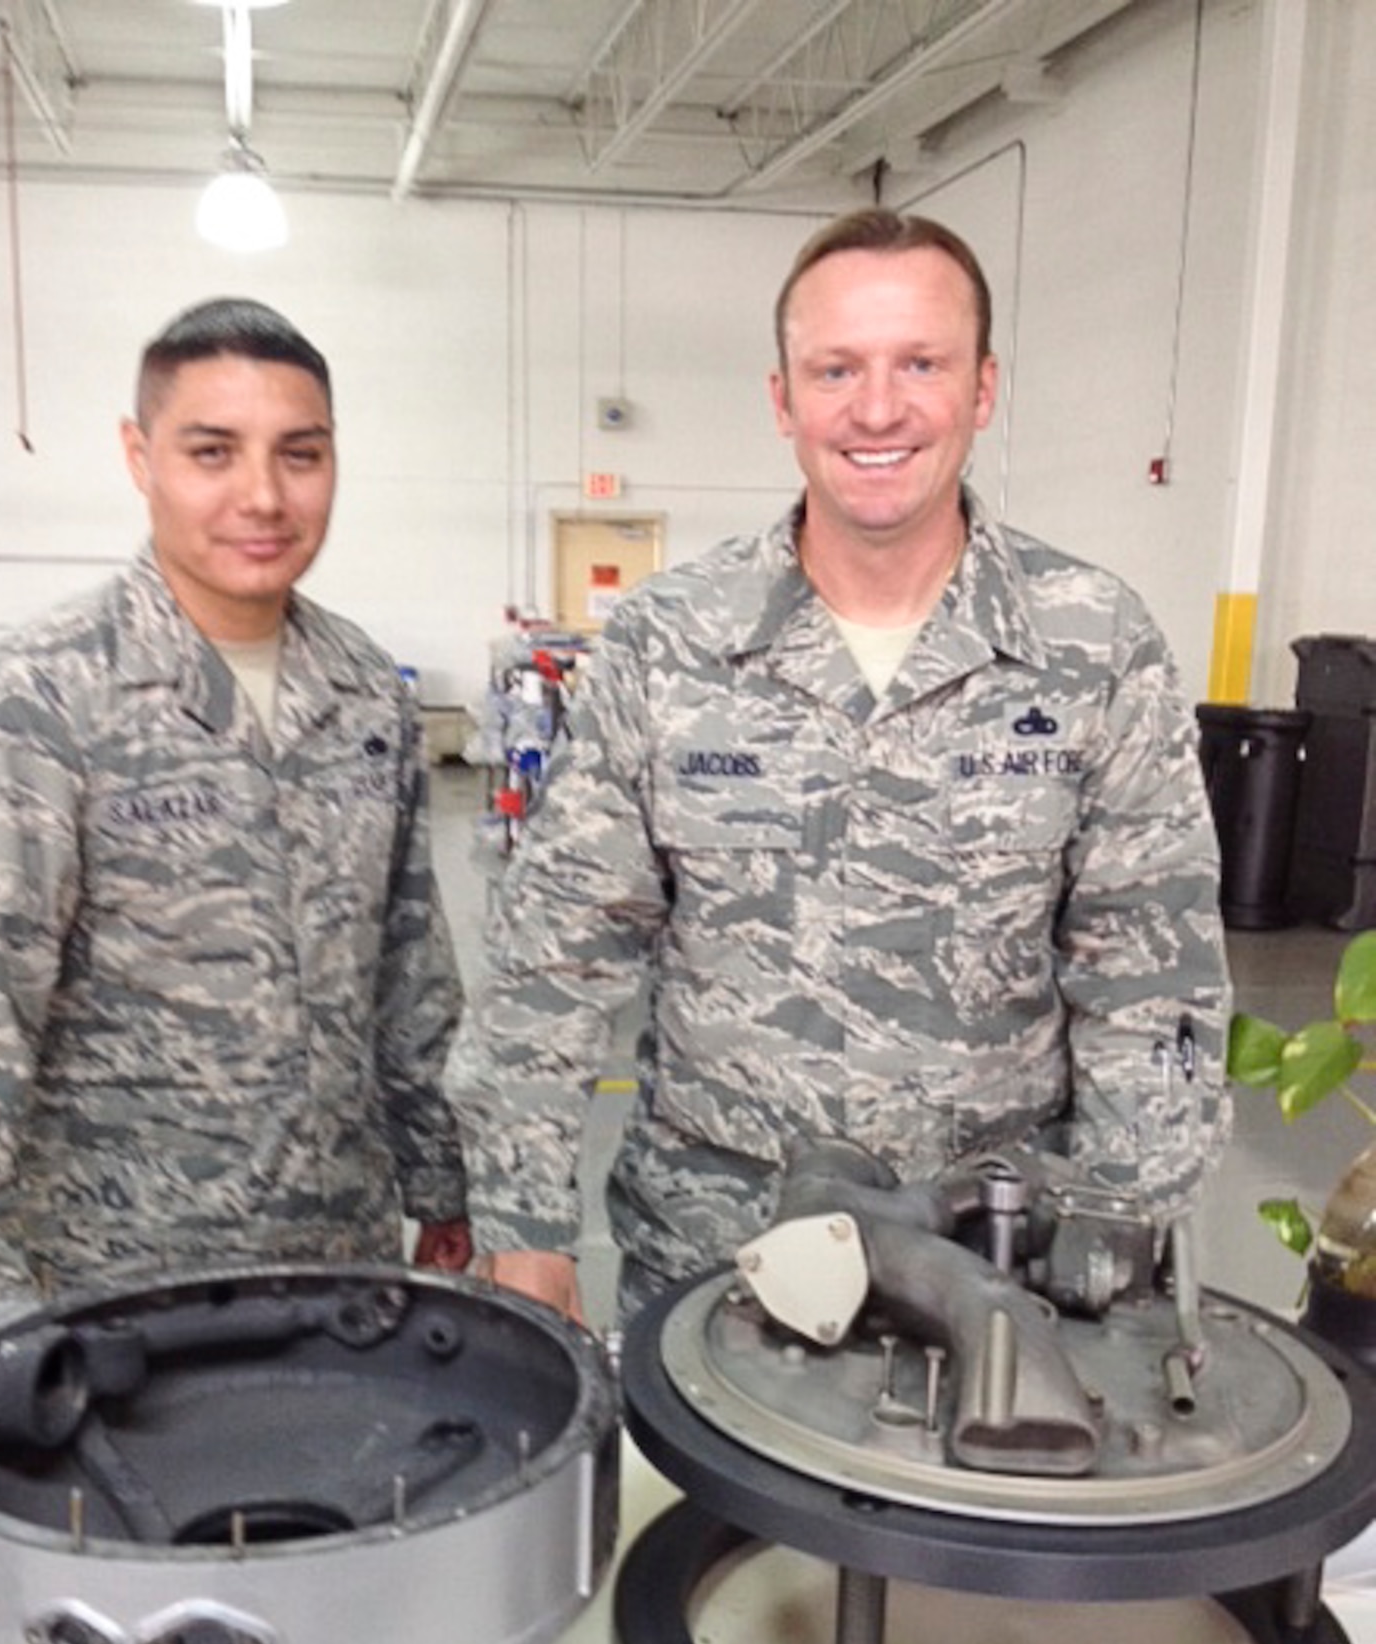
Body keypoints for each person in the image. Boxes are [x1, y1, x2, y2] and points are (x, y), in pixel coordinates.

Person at [446, 207, 1228, 1329]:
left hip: (995, 1263)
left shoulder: (1092, 644)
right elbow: (554, 958)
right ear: (782, 398)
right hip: (717, 1255)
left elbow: (1154, 979)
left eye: (921, 362)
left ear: (983, 388)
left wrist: (1123, 1232)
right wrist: (525, 1232)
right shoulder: (670, 641)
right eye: (836, 368)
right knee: (704, 1519)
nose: (877, 408)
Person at [0, 298, 469, 1371]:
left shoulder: (365, 695)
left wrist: (443, 1181)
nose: (263, 495)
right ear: (138, 456)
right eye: (212, 452)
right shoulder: (35, 702)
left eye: (301, 454)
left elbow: (408, 963)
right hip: (111, 1300)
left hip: (337, 1271)